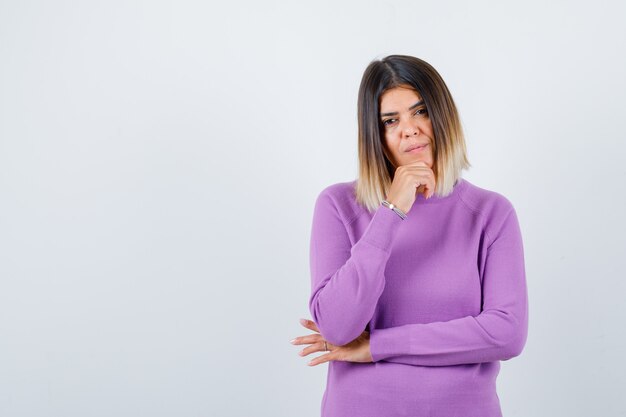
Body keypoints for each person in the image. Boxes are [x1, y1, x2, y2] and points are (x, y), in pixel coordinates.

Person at [290, 54, 528, 417]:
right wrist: (391, 212)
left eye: (421, 112)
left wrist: (378, 345)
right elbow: (337, 327)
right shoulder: (338, 206)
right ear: (376, 136)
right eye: (390, 120)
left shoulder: (491, 214)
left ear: (443, 116)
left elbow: (506, 333)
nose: (410, 129)